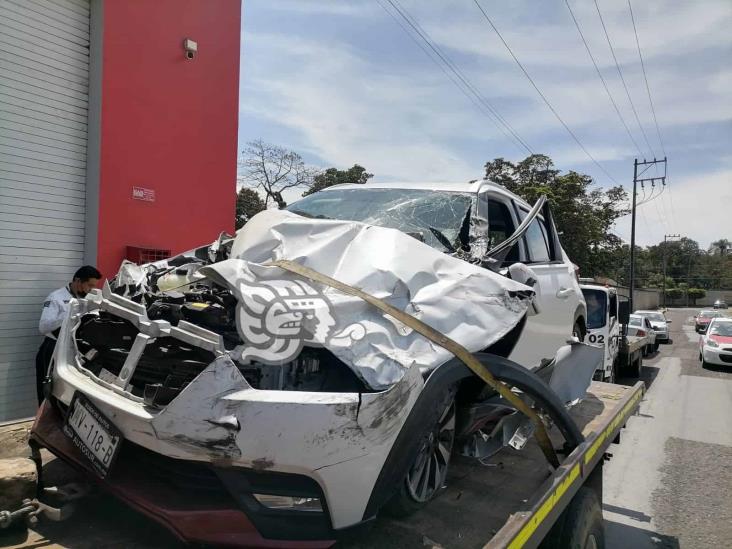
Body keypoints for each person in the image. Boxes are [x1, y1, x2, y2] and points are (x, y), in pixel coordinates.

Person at [36, 265, 102, 404]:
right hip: (53, 349)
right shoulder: (56, 297)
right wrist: (70, 314)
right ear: (78, 281)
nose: (91, 289)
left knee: (67, 394)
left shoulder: (89, 298)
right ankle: (45, 425)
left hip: (76, 350)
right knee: (48, 393)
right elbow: (43, 326)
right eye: (89, 285)